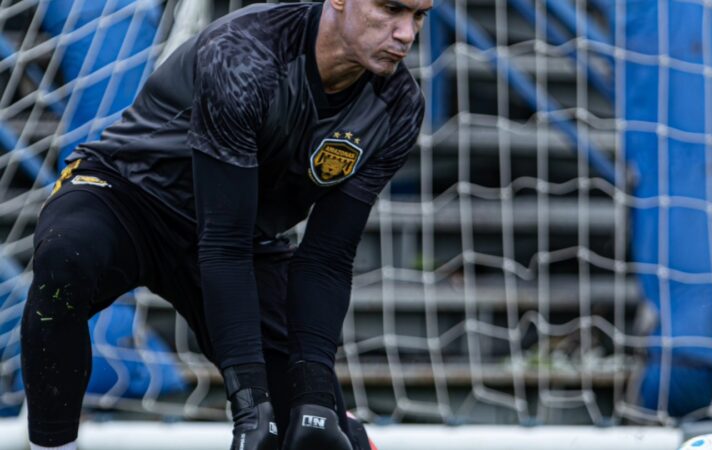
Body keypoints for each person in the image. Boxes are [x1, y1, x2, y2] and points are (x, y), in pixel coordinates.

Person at [20, 0, 430, 449]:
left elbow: (326, 259)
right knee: (66, 256)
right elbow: (223, 244)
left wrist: (313, 399)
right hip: (127, 197)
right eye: (391, 9)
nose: (406, 34)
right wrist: (251, 408)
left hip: (243, 237)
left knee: (322, 432)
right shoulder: (247, 53)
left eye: (419, 15)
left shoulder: (398, 107)